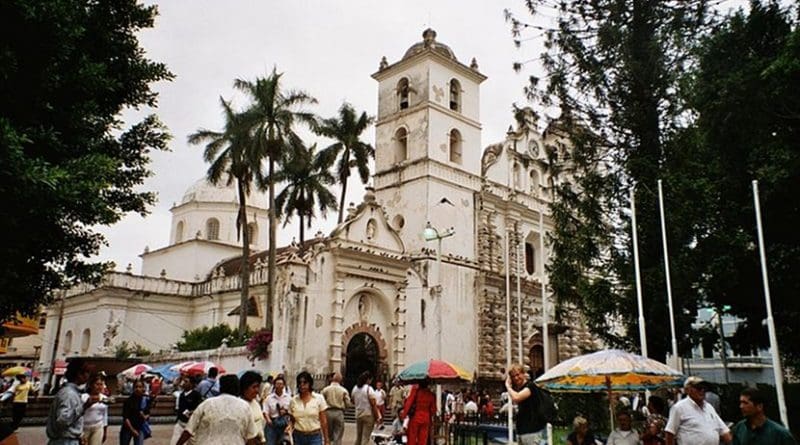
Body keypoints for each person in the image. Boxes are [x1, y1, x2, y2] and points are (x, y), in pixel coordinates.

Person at [176, 374, 259, 445]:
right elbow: (251, 437)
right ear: (238, 388)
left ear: (221, 388)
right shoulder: (245, 407)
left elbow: (189, 430)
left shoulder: (207, 404)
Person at [46, 358, 100, 445]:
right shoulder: (69, 394)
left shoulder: (73, 392)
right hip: (64, 441)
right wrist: (84, 406)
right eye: (87, 372)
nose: (88, 376)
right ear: (79, 374)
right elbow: (63, 420)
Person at [665, 376, 731, 445]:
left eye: (704, 388)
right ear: (688, 390)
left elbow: (724, 431)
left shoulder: (709, 407)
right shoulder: (679, 408)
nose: (702, 390)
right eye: (699, 388)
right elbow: (670, 433)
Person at [731, 387, 796, 445]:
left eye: (745, 403)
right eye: (741, 403)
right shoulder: (739, 429)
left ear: (759, 406)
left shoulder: (780, 435)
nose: (741, 406)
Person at [505, 363, 548, 445]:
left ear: (523, 373)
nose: (516, 378)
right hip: (522, 432)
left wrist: (508, 386)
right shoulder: (519, 389)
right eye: (513, 376)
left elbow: (516, 398)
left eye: (518, 374)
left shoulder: (530, 386)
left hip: (533, 432)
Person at [288, 371, 330, 445]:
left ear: (310, 384)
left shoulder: (319, 398)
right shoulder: (293, 400)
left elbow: (324, 421)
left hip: (314, 436)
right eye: (300, 383)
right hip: (298, 436)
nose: (302, 385)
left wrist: (326, 440)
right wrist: (290, 426)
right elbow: (292, 419)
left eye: (305, 383)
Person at [401, 379, 436, 445]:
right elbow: (433, 410)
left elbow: (409, 403)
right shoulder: (431, 394)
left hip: (416, 417)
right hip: (426, 418)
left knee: (412, 437)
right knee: (423, 439)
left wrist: (404, 414)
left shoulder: (416, 392)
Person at [321, 372, 351, 445]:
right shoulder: (343, 390)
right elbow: (348, 403)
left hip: (328, 412)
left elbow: (321, 401)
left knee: (328, 434)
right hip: (339, 412)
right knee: (338, 434)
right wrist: (345, 409)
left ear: (332, 379)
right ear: (340, 380)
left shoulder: (326, 390)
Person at [170, 375, 201, 445]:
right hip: (180, 423)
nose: (184, 383)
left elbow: (199, 409)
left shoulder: (196, 395)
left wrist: (192, 412)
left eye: (186, 382)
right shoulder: (181, 395)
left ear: (192, 384)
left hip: (191, 426)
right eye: (184, 381)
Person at [351, 371, 379, 445]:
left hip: (358, 414)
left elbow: (353, 401)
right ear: (368, 380)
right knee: (365, 437)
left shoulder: (355, 388)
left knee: (359, 437)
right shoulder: (369, 389)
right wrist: (377, 416)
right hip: (368, 414)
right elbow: (373, 404)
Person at [121, 380, 152, 445]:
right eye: (136, 387)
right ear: (133, 388)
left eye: (140, 387)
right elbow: (126, 418)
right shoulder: (128, 401)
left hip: (139, 427)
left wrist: (145, 416)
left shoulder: (145, 400)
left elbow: (148, 413)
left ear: (143, 388)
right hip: (128, 428)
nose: (138, 389)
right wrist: (132, 430)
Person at [264, 375, 292, 445]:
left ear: (284, 385)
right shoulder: (269, 398)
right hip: (272, 424)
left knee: (284, 443)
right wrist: (268, 420)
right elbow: (265, 411)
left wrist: (286, 412)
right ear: (274, 385)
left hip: (284, 424)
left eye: (281, 384)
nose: (279, 386)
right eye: (277, 384)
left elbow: (292, 411)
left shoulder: (289, 398)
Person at [81, 374, 109, 445]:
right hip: (84, 427)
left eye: (101, 384)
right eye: (97, 384)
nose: (99, 387)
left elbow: (105, 415)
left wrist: (105, 431)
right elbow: (79, 412)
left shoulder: (104, 398)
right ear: (91, 385)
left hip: (98, 427)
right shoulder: (83, 397)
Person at [240, 371, 266, 445]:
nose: (257, 390)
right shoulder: (240, 405)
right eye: (254, 387)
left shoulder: (255, 403)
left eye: (258, 387)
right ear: (244, 388)